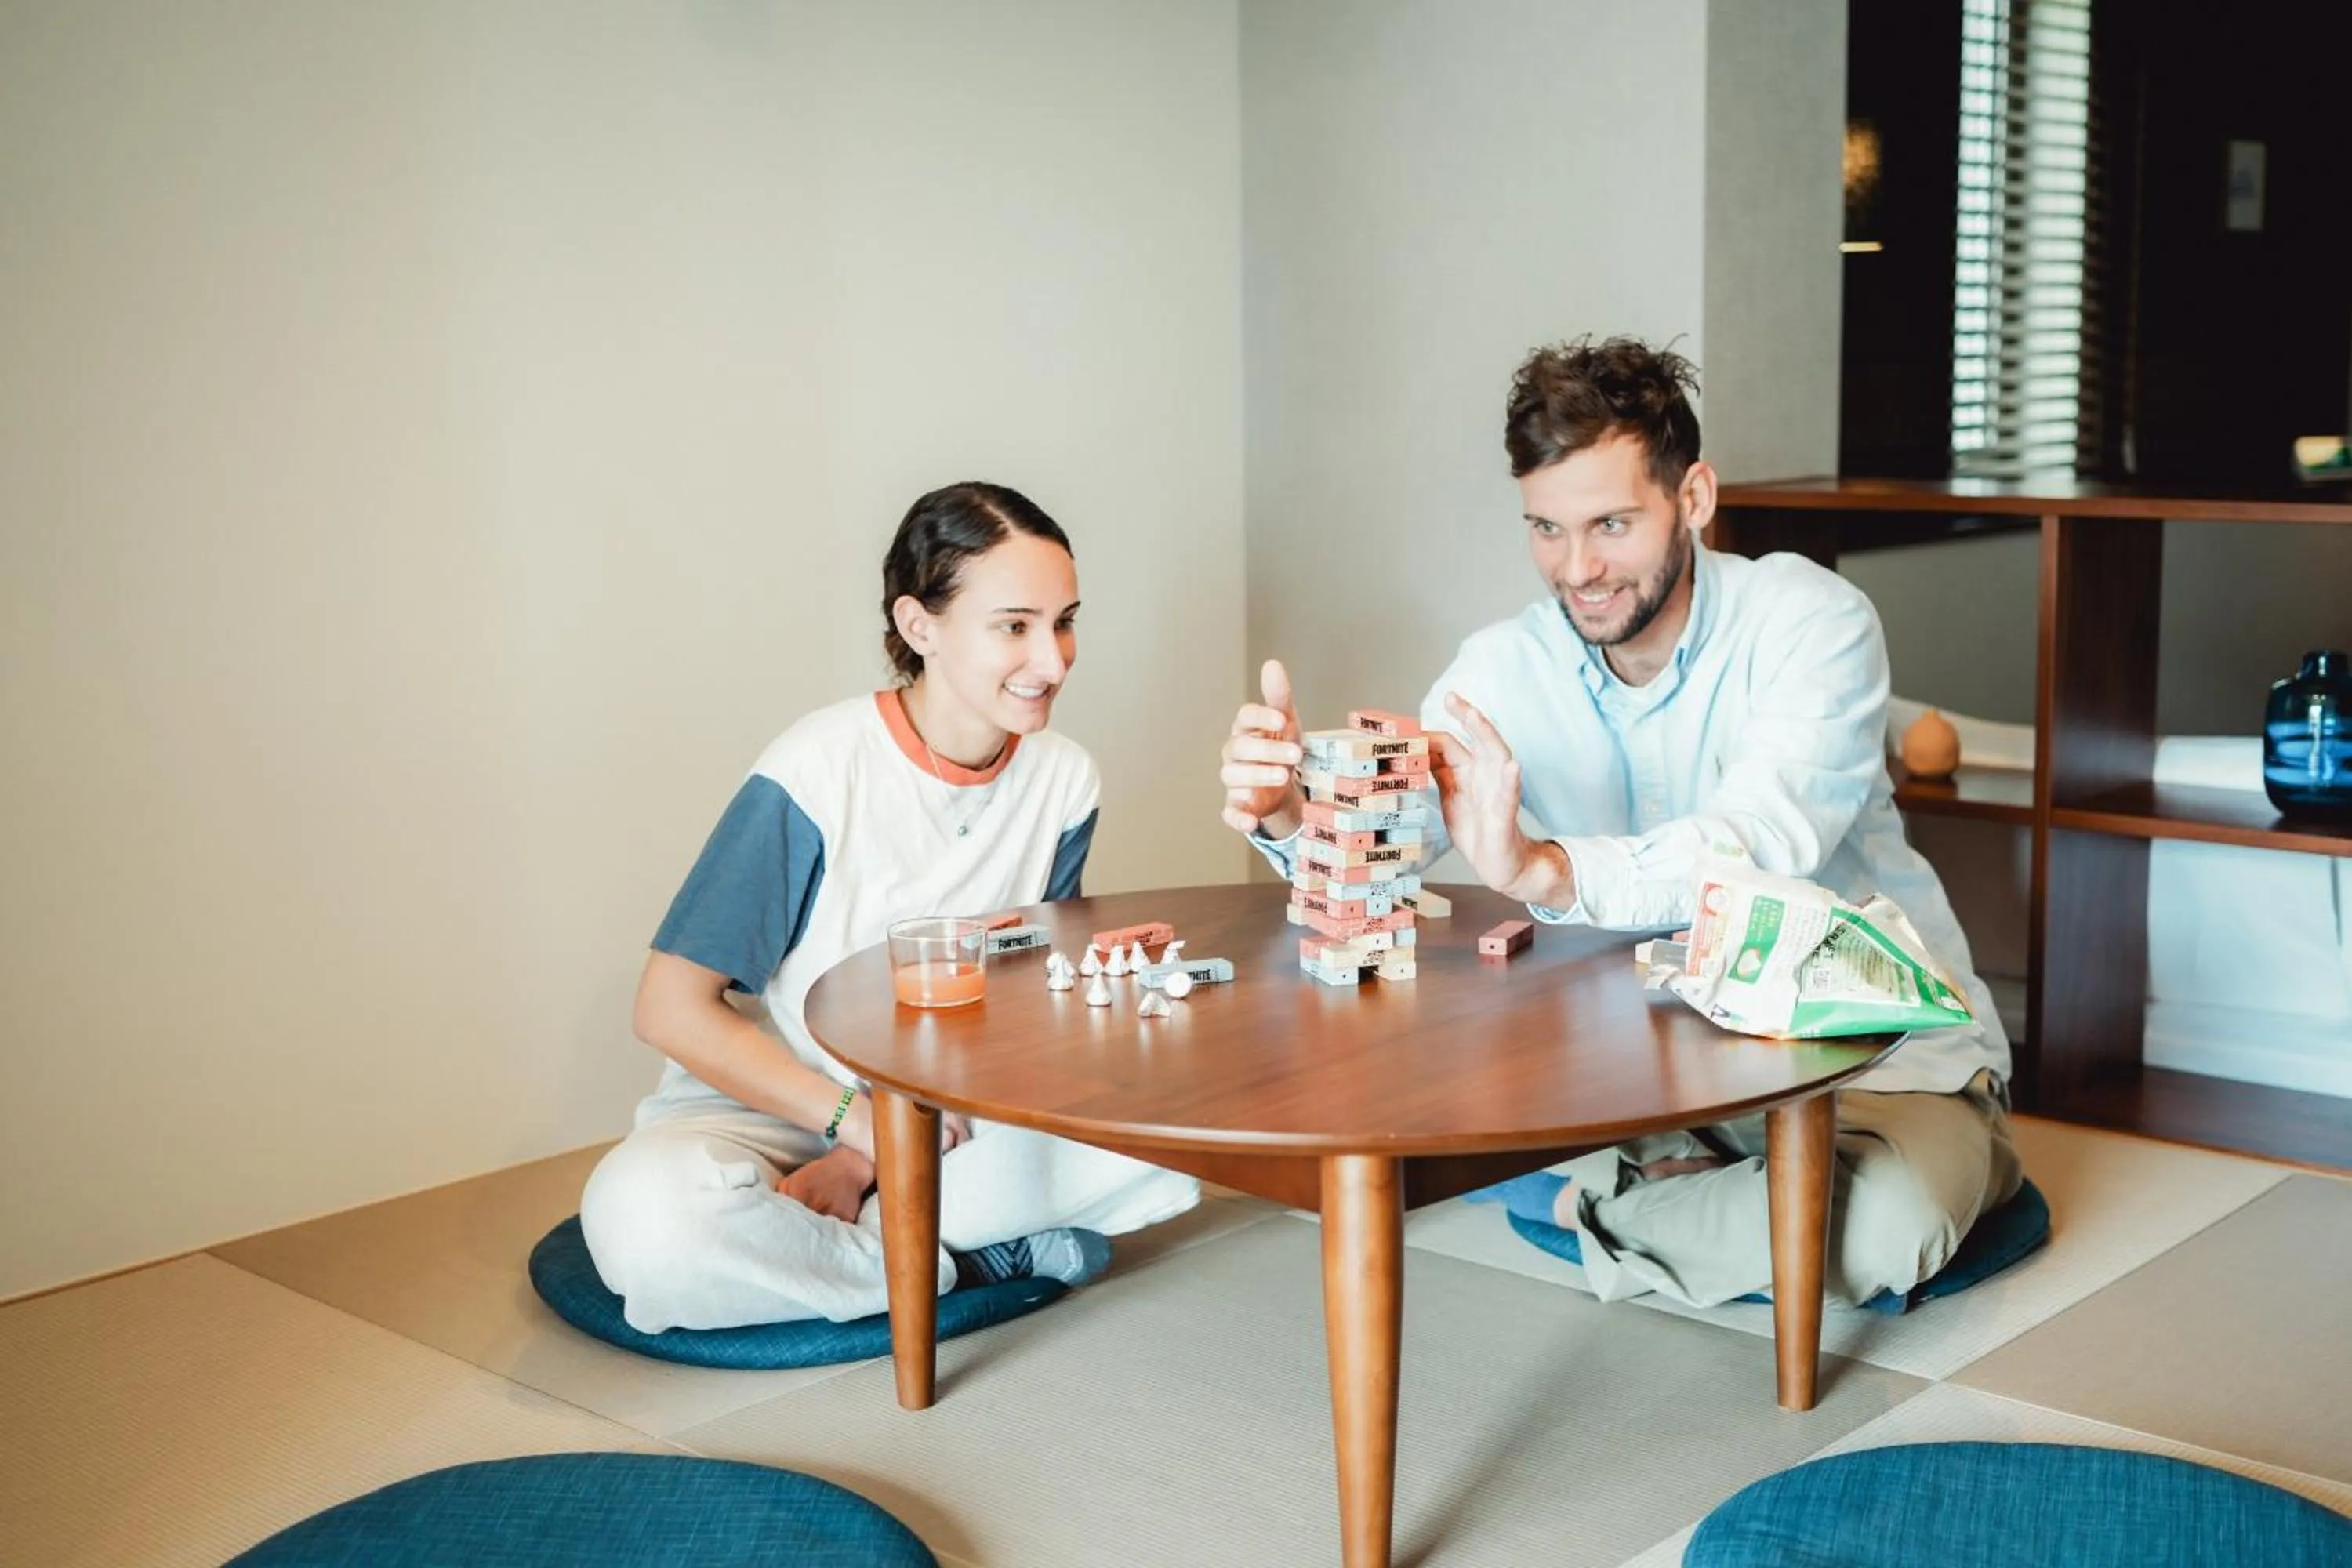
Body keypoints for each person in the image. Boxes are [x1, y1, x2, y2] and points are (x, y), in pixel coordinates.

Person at [1218, 338, 2023, 1311]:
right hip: (1640, 1080)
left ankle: (1573, 1203)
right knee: (1406, 1084)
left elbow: (1760, 844)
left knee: (1894, 1222)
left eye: (1611, 523)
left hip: (1877, 1066)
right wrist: (1290, 813)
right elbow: (1387, 853)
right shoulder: (1500, 667)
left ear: (1694, 498)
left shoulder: (1815, 622)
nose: (1580, 568)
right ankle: (1651, 1186)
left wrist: (1546, 869)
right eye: (1546, 529)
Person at [583, 481, 1198, 1332]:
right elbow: (667, 1007)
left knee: (1161, 1131)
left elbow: (1021, 994)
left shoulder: (1064, 779)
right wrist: (850, 1125)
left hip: (949, 1111)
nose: (1053, 659)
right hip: (771, 1102)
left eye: (1065, 621)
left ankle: (862, 1250)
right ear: (920, 627)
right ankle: (948, 1258)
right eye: (1015, 625)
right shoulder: (817, 768)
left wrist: (870, 1152)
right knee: (647, 1223)